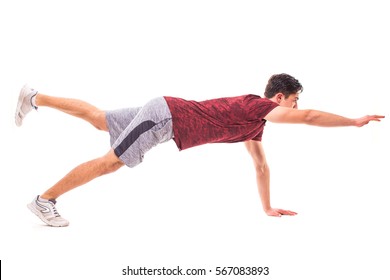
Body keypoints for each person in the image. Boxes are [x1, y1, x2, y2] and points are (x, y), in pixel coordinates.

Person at [15, 74, 384, 227]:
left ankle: (34, 97)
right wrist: (352, 122)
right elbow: (309, 118)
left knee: (99, 119)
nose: (296, 106)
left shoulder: (255, 124)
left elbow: (261, 167)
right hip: (166, 119)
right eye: (294, 100)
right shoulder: (259, 106)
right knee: (112, 163)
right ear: (280, 97)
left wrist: (267, 207)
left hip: (164, 111)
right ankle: (45, 200)